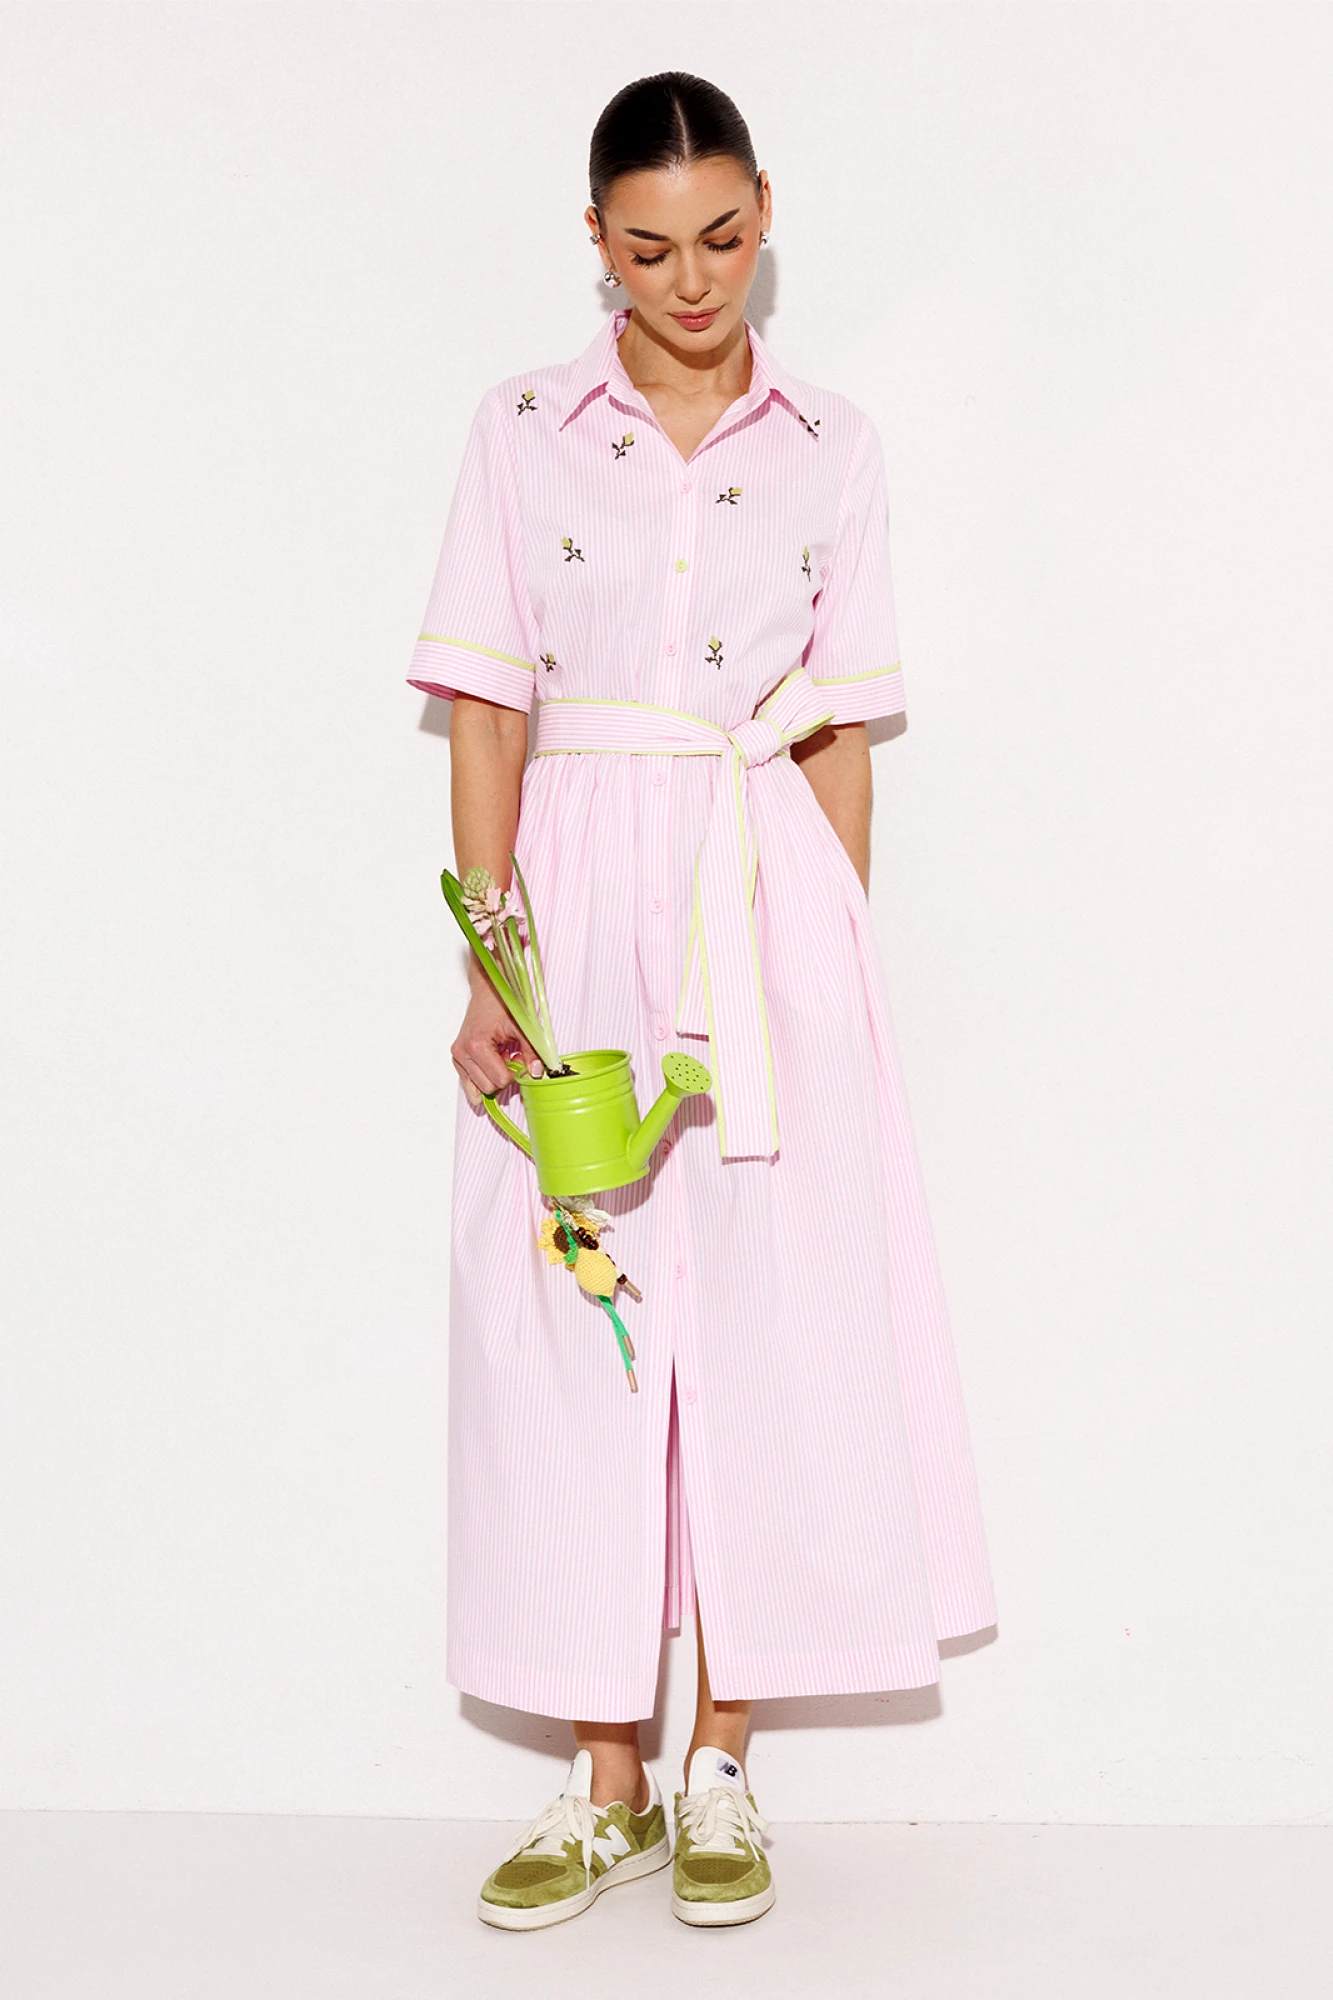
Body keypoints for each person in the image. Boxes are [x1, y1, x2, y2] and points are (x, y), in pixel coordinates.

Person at [406, 71, 997, 1932]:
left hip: (764, 915)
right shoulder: (522, 430)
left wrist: (827, 971)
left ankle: (722, 1760)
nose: (691, 279)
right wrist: (494, 961)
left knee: (764, 1328)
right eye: (650, 246)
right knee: (573, 1323)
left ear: (766, 217)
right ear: (595, 239)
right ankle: (607, 1779)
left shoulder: (833, 444)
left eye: (723, 237)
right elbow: (487, 714)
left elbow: (836, 739)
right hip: (577, 910)